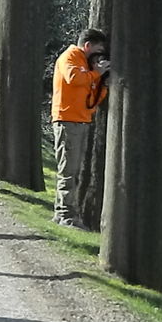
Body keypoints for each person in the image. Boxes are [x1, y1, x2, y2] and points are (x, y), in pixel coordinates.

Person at [51, 29, 110, 229]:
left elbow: (90, 99)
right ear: (88, 46)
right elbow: (73, 78)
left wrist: (102, 83)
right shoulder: (71, 57)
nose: (99, 54)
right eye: (98, 49)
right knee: (68, 171)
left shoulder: (85, 64)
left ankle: (62, 213)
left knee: (73, 170)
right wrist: (96, 73)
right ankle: (66, 216)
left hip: (80, 120)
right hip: (68, 120)